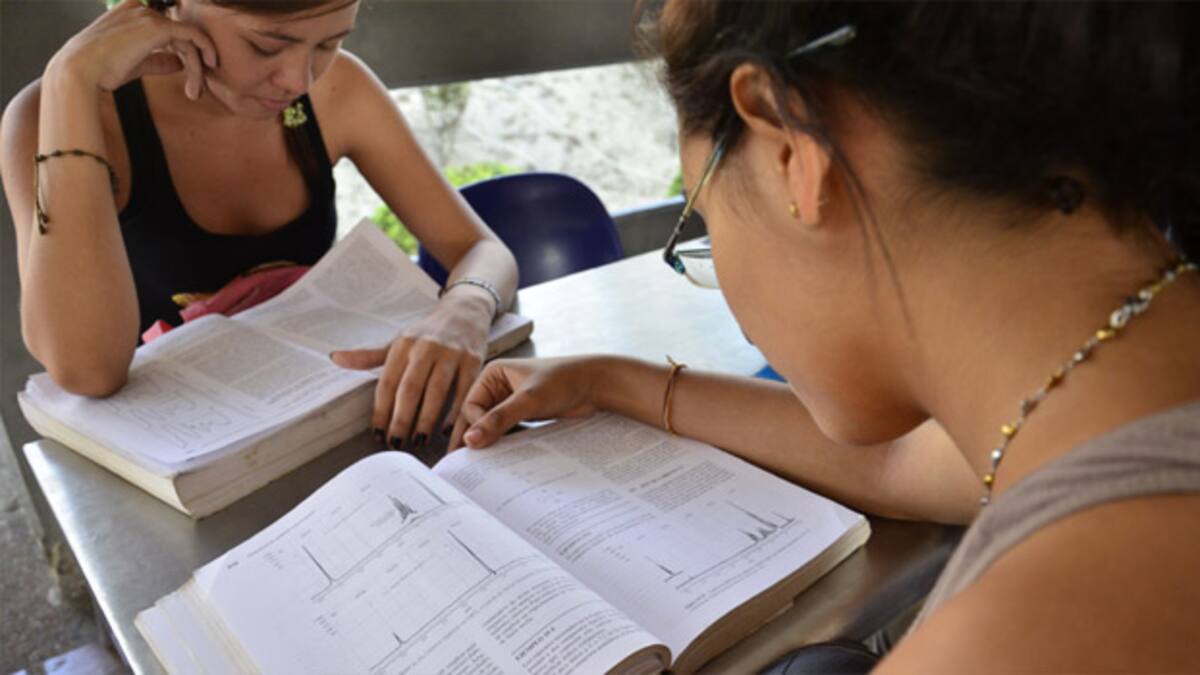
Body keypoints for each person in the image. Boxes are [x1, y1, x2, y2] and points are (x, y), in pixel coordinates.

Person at [448, 1, 1200, 671]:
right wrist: (613, 381)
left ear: (791, 152)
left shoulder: (1022, 639)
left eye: (702, 220)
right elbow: (900, 462)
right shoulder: (1104, 388)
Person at [0, 0, 518, 451]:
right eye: (267, 46)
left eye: (329, 43)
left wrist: (465, 307)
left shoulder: (336, 89)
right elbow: (87, 371)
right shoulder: (57, 115)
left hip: (321, 432)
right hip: (175, 463)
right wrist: (71, 82)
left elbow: (481, 249)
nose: (299, 79)